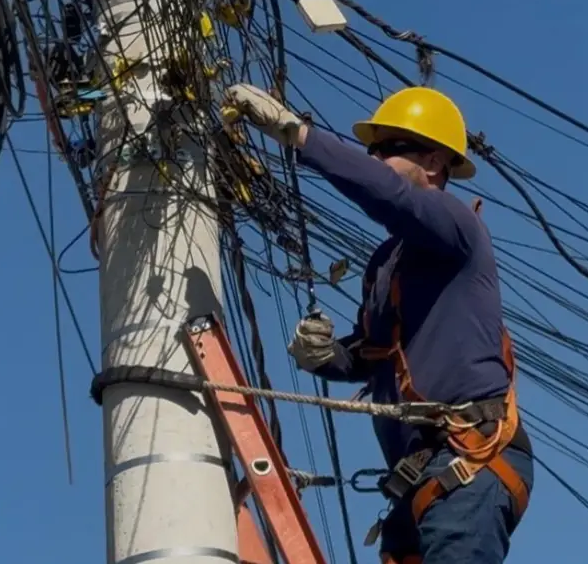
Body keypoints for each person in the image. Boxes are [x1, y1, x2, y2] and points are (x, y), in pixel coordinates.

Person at [223, 83, 534, 564]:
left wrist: (299, 135)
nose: (376, 159)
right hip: (420, 476)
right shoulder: (389, 259)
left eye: (388, 149)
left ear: (433, 162)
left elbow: (389, 195)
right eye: (373, 151)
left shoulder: (457, 226)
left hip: (470, 457)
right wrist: (328, 356)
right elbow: (373, 352)